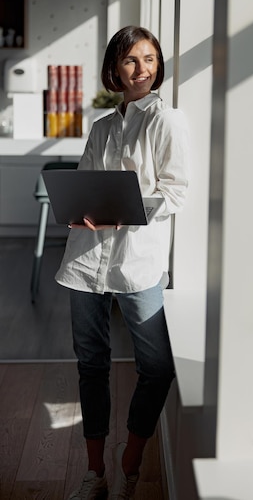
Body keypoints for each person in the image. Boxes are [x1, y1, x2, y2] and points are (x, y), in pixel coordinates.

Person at [56, 26, 190, 499]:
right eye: (131, 61)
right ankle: (96, 475)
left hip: (138, 261)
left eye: (150, 59)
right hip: (86, 262)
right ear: (115, 68)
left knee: (156, 366)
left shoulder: (166, 121)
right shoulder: (102, 127)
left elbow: (175, 191)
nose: (142, 69)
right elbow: (85, 185)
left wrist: (126, 211)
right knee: (91, 364)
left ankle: (131, 458)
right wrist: (82, 211)